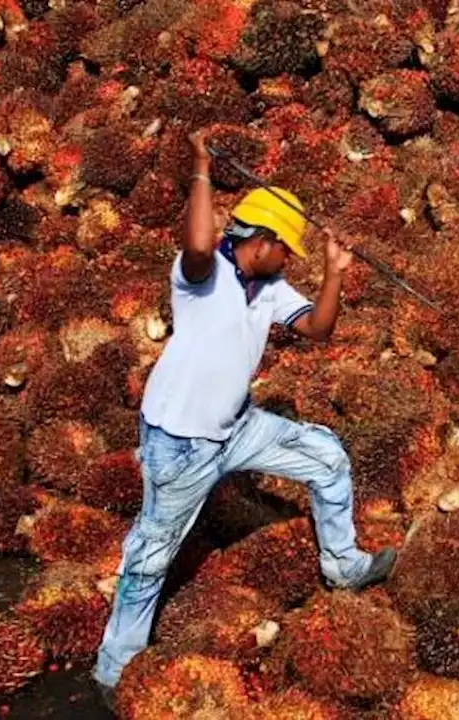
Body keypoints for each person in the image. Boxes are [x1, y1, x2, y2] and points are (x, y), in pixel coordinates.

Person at [92, 131, 396, 706]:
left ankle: (344, 564)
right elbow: (201, 244)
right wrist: (202, 169)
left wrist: (334, 271)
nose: (290, 261)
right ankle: (114, 669)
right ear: (263, 241)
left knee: (327, 456)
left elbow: (319, 330)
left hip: (236, 428)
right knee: (151, 554)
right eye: (289, 250)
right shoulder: (202, 278)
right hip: (179, 443)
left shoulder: (272, 288)